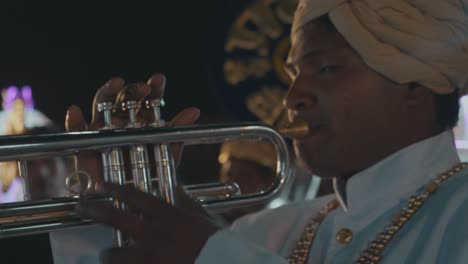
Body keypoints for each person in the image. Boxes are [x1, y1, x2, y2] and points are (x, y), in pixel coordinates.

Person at [50, 0, 468, 263]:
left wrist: (211, 255)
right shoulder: (264, 233)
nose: (292, 97)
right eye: (294, 74)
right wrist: (112, 215)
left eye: (325, 69)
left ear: (415, 85)